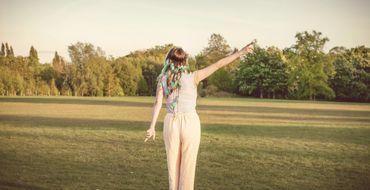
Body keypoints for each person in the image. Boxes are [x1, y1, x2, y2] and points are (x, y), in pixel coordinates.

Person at [144, 41, 255, 190]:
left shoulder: (162, 79)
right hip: (190, 123)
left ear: (168, 61)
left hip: (171, 122)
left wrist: (152, 127)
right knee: (187, 170)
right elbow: (218, 65)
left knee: (173, 170)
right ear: (185, 61)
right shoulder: (194, 76)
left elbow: (157, 103)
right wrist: (240, 53)